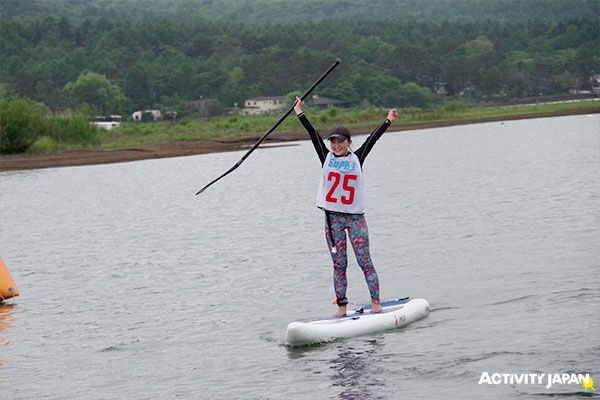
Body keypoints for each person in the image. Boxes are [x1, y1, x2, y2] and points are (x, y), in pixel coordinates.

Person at [294, 96, 397, 317]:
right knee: (339, 264)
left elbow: (373, 138)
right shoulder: (326, 156)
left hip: (355, 218)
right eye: (333, 142)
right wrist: (299, 112)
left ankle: (376, 303)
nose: (336, 145)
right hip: (333, 221)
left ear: (349, 142)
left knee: (364, 261)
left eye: (341, 141)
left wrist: (388, 120)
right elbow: (313, 135)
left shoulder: (357, 158)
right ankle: (342, 308)